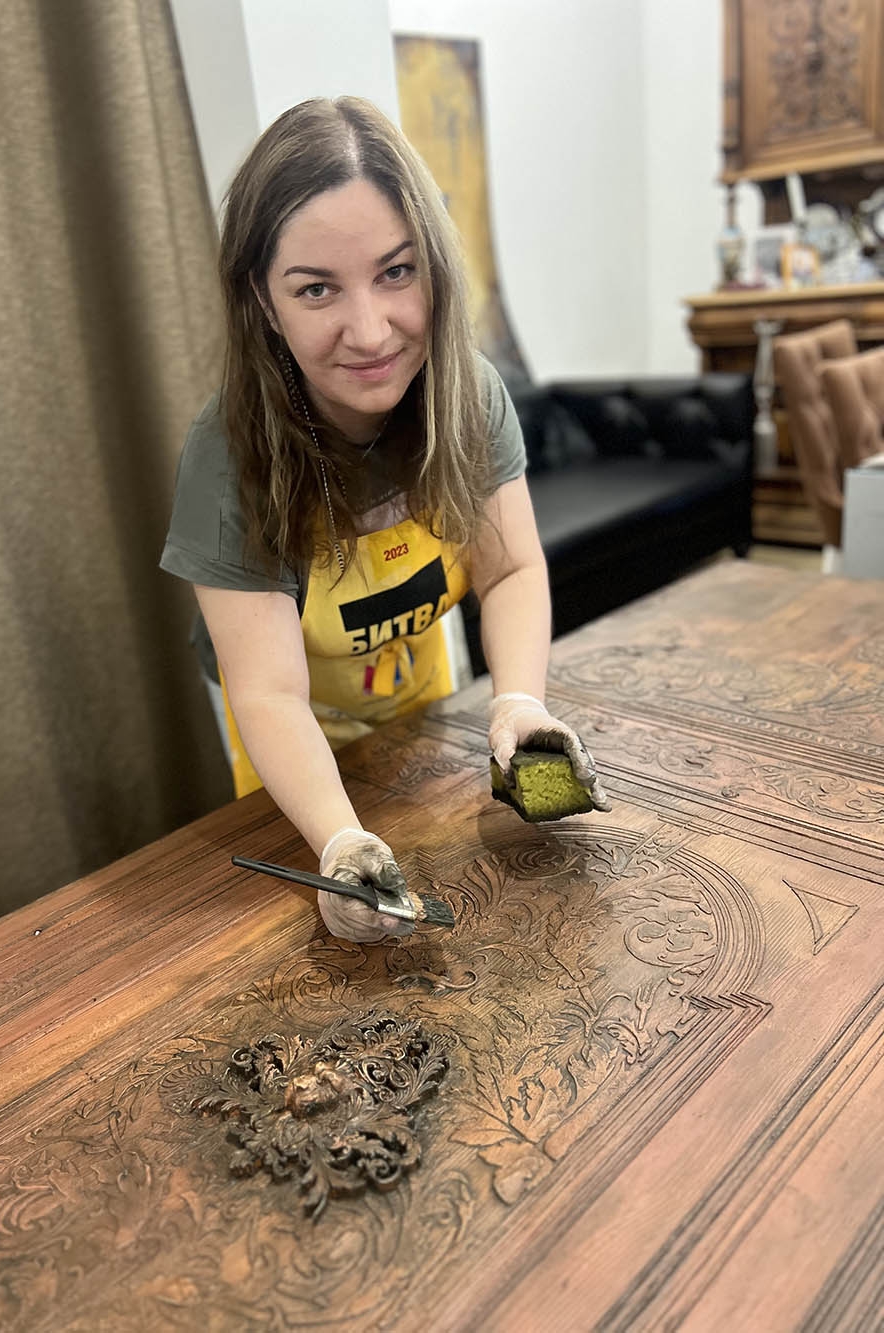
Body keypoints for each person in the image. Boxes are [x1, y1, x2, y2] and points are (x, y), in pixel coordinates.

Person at [161, 96, 609, 943]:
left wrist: (518, 703)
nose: (370, 333)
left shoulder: (468, 393)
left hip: (417, 683)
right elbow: (269, 691)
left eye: (397, 272)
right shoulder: (227, 457)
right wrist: (338, 841)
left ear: (433, 264)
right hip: (290, 719)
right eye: (317, 288)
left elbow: (512, 570)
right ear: (262, 298)